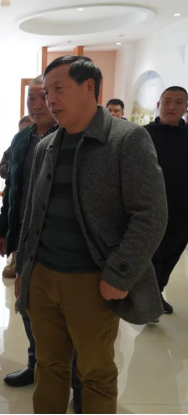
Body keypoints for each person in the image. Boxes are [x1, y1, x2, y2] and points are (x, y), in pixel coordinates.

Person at [15, 55, 167, 414]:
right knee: (48, 365)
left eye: (58, 89)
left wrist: (119, 274)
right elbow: (33, 214)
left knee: (95, 372)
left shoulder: (127, 140)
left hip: (92, 281)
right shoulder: (47, 146)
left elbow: (151, 214)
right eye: (46, 92)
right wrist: (23, 268)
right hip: (43, 277)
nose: (50, 99)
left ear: (89, 87)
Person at [0, 75, 86, 412]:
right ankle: (36, 364)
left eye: (42, 97)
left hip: (63, 244)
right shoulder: (22, 138)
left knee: (72, 321)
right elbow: (12, 188)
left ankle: (78, 382)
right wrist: (4, 228)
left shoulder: (72, 136)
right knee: (30, 309)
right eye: (30, 98)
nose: (36, 105)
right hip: (26, 240)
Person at [145, 86, 188, 315]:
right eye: (167, 101)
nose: (172, 106)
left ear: (186, 107)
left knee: (172, 253)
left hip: (182, 209)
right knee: (152, 254)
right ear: (158, 105)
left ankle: (157, 291)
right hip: (149, 208)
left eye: (178, 102)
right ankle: (149, 296)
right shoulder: (143, 135)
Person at [0, 116, 34, 180]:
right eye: (21, 130)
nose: (23, 134)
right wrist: (14, 159)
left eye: (27, 130)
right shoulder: (13, 147)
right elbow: (2, 172)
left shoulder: (39, 146)